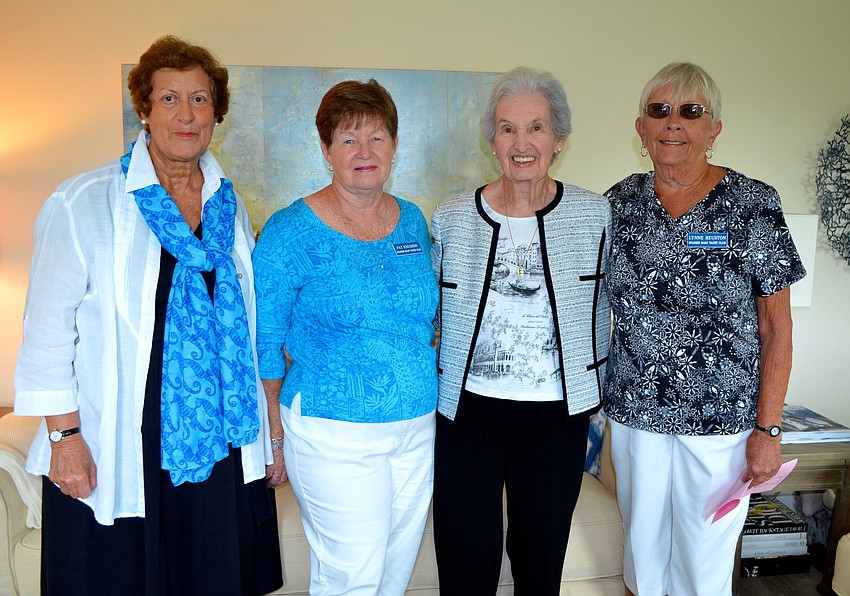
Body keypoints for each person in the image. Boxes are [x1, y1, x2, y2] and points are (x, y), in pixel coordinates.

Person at [14, 36, 283, 595]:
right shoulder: (83, 201)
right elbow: (45, 334)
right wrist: (64, 437)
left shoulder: (228, 207)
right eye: (169, 99)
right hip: (121, 437)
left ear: (217, 113)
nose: (186, 115)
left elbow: (247, 327)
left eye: (200, 100)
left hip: (218, 441)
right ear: (143, 108)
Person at [604, 62, 807, 596]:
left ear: (713, 129)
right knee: (640, 554)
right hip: (636, 414)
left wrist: (769, 431)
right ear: (641, 128)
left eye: (690, 112)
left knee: (704, 561)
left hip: (721, 421)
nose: (673, 123)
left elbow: (776, 328)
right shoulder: (618, 203)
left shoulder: (753, 203)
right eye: (660, 111)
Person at [252, 79, 438, 595]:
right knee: (351, 576)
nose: (364, 152)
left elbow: (423, 321)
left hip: (416, 428)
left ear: (395, 147)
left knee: (394, 573)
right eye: (349, 139)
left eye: (377, 138)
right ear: (326, 149)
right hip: (334, 433)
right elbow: (264, 342)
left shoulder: (413, 222)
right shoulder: (291, 230)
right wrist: (274, 436)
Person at [430, 66, 611, 596]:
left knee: (540, 556)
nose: (521, 142)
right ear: (492, 140)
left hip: (556, 413)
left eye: (536, 128)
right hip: (469, 410)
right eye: (507, 128)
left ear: (558, 139)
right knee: (464, 553)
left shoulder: (595, 214)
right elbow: (432, 311)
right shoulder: (452, 217)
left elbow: (616, 304)